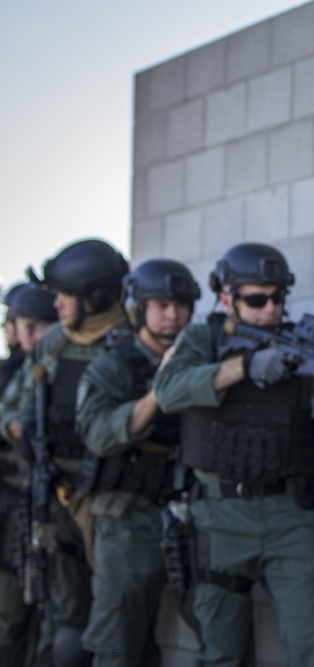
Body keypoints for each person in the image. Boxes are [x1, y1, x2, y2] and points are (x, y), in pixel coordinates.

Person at [153, 242, 314, 667]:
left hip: (292, 514)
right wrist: (244, 367)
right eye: (256, 299)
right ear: (226, 297)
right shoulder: (203, 337)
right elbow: (168, 391)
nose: (270, 308)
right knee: (222, 652)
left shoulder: (302, 348)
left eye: (277, 297)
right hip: (219, 516)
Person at [7, 238, 131, 667]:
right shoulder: (54, 342)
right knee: (65, 622)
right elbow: (24, 400)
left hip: (113, 500)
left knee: (119, 623)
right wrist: (24, 431)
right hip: (55, 493)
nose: (56, 306)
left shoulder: (129, 342)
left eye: (64, 296)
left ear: (96, 296)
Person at [73, 258, 203, 665]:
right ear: (139, 308)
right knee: (118, 643)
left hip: (194, 512)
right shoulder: (116, 364)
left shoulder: (201, 357)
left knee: (219, 630)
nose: (173, 315)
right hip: (129, 517)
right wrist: (156, 396)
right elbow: (96, 433)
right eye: (161, 305)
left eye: (181, 305)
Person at [1, 283, 58, 667]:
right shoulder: (7, 376)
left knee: (55, 622)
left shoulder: (61, 367)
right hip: (10, 510)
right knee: (9, 618)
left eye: (45, 327)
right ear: (11, 329)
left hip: (53, 505)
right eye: (29, 327)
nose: (37, 337)